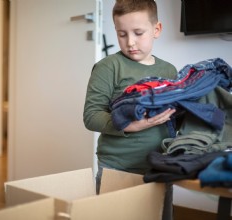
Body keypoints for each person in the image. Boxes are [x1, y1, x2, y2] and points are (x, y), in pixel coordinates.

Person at [83, 0, 177, 220]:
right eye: (122, 34)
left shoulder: (169, 70)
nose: (130, 42)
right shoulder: (109, 67)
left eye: (138, 33)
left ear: (157, 30)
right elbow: (91, 115)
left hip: (159, 164)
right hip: (118, 165)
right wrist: (130, 125)